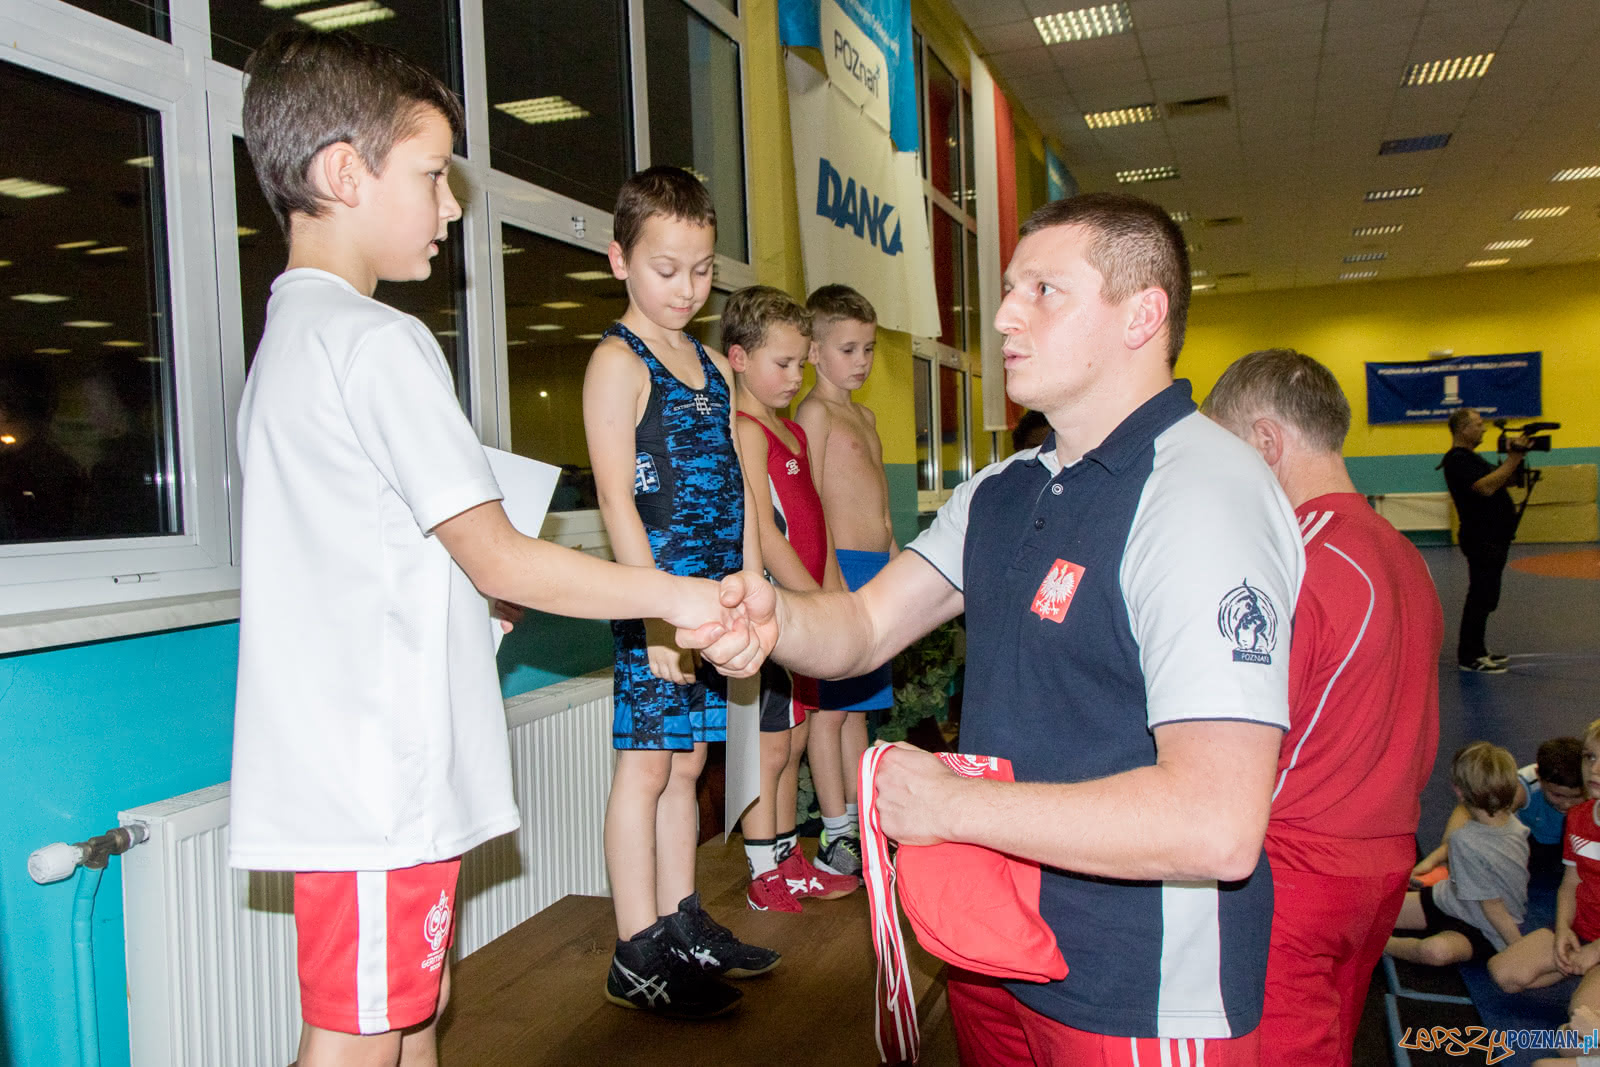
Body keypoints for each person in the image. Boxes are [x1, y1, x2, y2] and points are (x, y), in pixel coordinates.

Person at [231, 30, 769, 1067]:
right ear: (344, 173)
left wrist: (471, 591)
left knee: (414, 1008)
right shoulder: (374, 341)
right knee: (358, 1036)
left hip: (365, 766)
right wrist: (682, 598)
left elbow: (382, 550)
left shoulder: (298, 337)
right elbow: (498, 554)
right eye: (432, 175)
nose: (451, 206)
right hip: (374, 774)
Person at [693, 192, 1305, 1063]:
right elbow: (863, 625)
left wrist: (951, 805)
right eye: (1010, 289)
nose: (1007, 315)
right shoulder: (1002, 489)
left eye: (1044, 291)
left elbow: (1216, 823)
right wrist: (770, 617)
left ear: (1142, 315)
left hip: (1133, 988)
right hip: (993, 952)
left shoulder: (1203, 493)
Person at [1202, 347, 1444, 1066]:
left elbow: (1240, 745)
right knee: (1330, 1043)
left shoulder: (1294, 561)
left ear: (1266, 442)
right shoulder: (1404, 554)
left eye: (1224, 452)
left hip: (1296, 872)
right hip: (1382, 862)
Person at [582, 166, 776, 1020]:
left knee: (691, 763)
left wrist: (749, 580)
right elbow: (615, 499)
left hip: (712, 602)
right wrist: (655, 612)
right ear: (619, 259)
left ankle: (679, 918)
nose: (687, 289)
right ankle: (637, 949)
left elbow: (737, 487)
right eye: (667, 270)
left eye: (701, 271)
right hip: (657, 606)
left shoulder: (708, 365)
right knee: (647, 764)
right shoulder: (614, 363)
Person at [725, 284, 858, 912]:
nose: (794, 377)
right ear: (738, 358)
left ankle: (787, 857)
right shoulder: (746, 429)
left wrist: (836, 595)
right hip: (775, 611)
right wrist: (809, 601)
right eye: (782, 364)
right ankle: (762, 872)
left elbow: (814, 525)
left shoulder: (791, 434)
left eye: (800, 364)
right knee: (770, 747)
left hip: (804, 610)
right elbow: (762, 530)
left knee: (796, 743)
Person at [793, 284, 896, 877]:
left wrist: (896, 561)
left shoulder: (865, 415)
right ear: (814, 351)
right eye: (848, 349)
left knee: (857, 713)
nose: (861, 361)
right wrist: (828, 579)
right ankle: (835, 835)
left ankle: (861, 825)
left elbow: (878, 506)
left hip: (874, 573)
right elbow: (809, 504)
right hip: (839, 573)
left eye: (869, 349)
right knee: (828, 714)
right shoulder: (815, 414)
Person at [1490, 722, 1600, 1029]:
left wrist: (1595, 951)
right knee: (1504, 973)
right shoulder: (1578, 817)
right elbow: (1571, 883)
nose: (1594, 769)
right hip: (1583, 930)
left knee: (1579, 1025)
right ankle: (1584, 975)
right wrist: (1564, 930)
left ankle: (1590, 983)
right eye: (1590, 757)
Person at [1386, 743, 1528, 968]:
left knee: (1435, 951)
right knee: (1375, 910)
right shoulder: (1516, 827)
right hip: (1450, 902)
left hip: (1486, 929)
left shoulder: (1466, 841)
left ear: (1459, 792)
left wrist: (1518, 948)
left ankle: (1381, 945)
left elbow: (1493, 907)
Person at [1416, 736, 1585, 883]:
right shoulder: (1522, 787)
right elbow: (1471, 809)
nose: (1567, 804)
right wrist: (1443, 855)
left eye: (1577, 797)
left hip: (1572, 845)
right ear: (1539, 777)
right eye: (1557, 795)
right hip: (1532, 845)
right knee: (1486, 824)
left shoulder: (1591, 787)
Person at [1442, 407, 1530, 673]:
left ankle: (1478, 649)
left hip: (1492, 536)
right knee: (1480, 595)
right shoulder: (1457, 460)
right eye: (1478, 424)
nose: (1483, 429)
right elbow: (1485, 487)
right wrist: (1512, 459)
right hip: (1481, 537)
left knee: (1487, 594)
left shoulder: (1473, 459)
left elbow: (1504, 480)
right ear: (1463, 429)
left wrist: (1516, 460)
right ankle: (1469, 655)